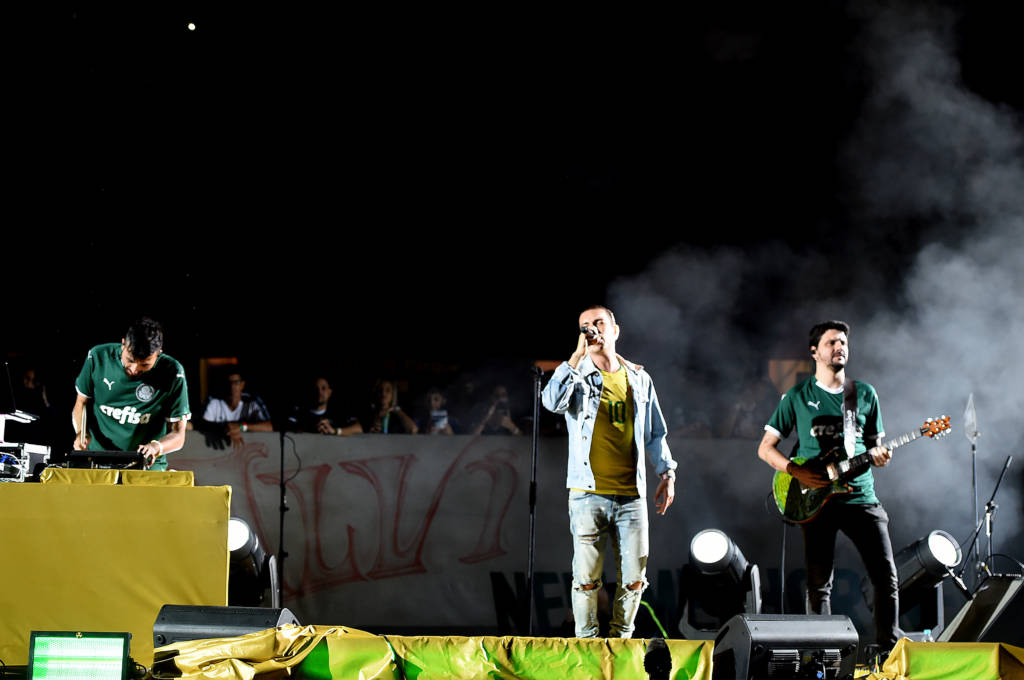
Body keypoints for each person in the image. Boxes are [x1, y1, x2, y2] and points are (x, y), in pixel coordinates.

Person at [757, 320, 899, 650]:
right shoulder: (797, 396)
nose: (839, 347)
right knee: (819, 584)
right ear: (814, 352)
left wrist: (881, 456)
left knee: (885, 576)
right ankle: (822, 653)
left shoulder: (864, 394)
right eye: (831, 342)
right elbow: (765, 448)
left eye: (843, 342)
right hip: (816, 499)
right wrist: (795, 471)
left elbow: (876, 446)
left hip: (861, 496)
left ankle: (888, 648)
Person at [542, 305, 677, 638]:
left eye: (599, 323)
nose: (592, 329)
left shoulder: (639, 378)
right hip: (587, 493)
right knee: (586, 579)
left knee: (634, 578)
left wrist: (667, 473)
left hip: (631, 495)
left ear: (615, 330)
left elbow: (655, 433)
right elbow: (551, 402)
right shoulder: (578, 374)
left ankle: (620, 642)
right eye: (585, 325)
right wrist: (575, 358)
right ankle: (588, 644)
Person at [72, 317, 190, 470]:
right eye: (130, 360)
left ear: (158, 353)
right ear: (123, 344)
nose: (134, 369)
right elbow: (81, 403)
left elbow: (178, 435)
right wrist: (81, 432)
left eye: (145, 364)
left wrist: (156, 447)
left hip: (146, 464)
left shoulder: (173, 372)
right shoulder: (98, 357)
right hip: (98, 458)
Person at [196, 368, 273, 446]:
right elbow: (199, 424)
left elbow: (269, 427)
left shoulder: (252, 402)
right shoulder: (214, 401)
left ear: (242, 384)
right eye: (228, 383)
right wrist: (225, 428)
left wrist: (241, 426)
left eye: (236, 382)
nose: (232, 386)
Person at [290, 376, 362, 435]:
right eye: (316, 389)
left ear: (330, 392)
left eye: (323, 388)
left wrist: (334, 431)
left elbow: (359, 428)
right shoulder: (299, 412)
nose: (319, 392)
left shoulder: (338, 413)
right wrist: (308, 429)